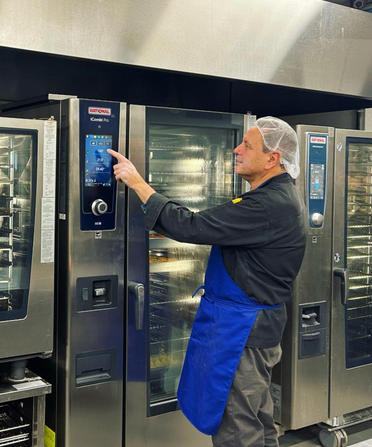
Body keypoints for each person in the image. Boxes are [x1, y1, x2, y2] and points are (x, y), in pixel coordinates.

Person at [108, 116, 306, 447]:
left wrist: (138, 183)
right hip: (255, 328)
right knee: (258, 419)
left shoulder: (267, 204)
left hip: (240, 333)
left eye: (247, 146)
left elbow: (191, 225)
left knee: (238, 429)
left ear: (272, 158)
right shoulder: (281, 195)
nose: (236, 150)